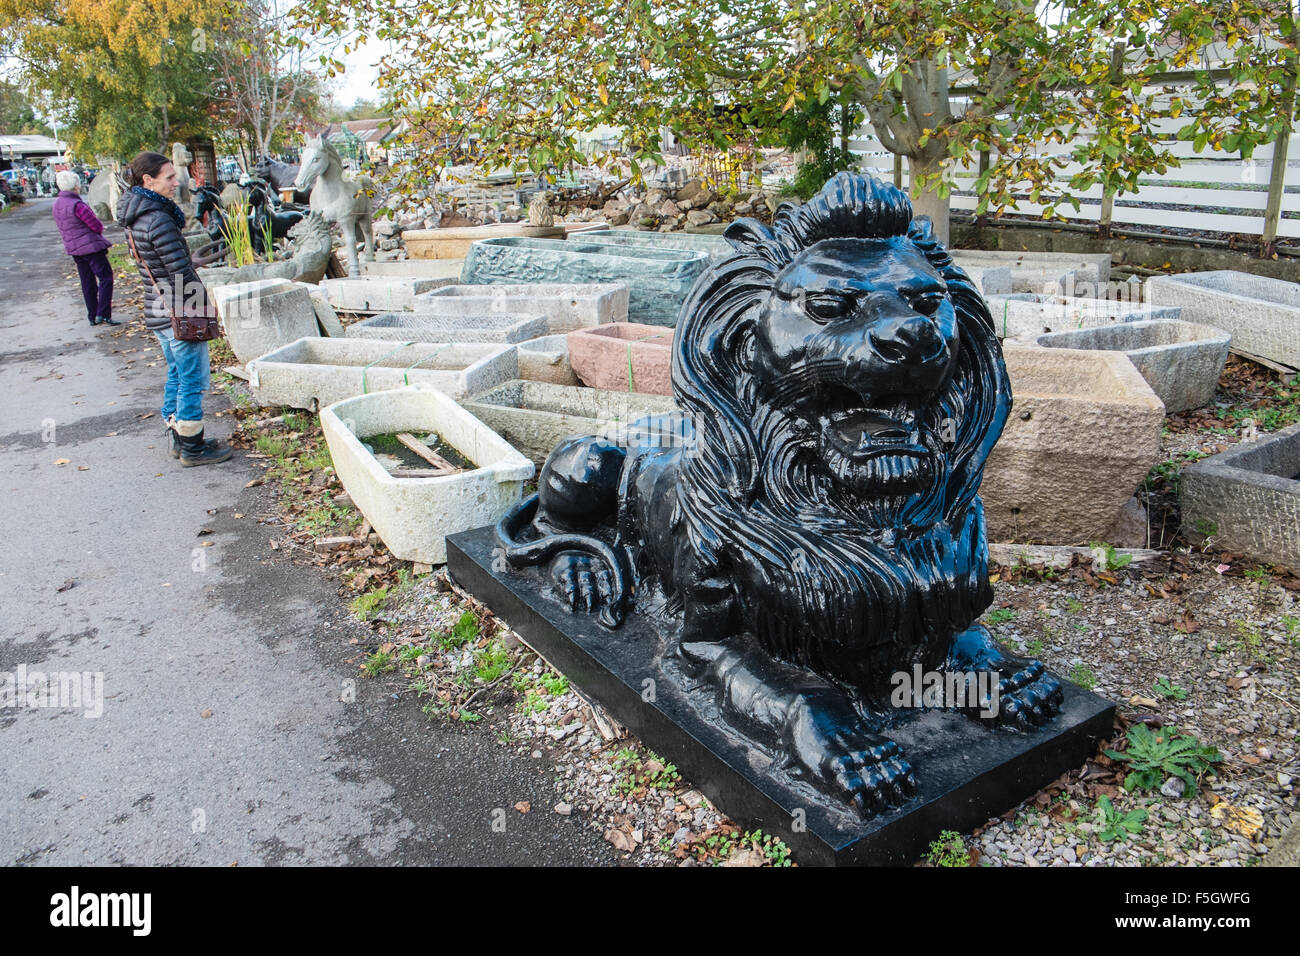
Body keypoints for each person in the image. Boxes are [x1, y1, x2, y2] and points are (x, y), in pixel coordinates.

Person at [116, 151, 232, 467]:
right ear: (147, 180)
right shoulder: (158, 219)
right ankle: (193, 447)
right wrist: (202, 312)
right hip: (178, 310)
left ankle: (178, 436)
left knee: (177, 374)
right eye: (168, 176)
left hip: (157, 308)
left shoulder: (134, 217)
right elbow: (180, 272)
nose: (175, 181)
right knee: (192, 379)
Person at [52, 170, 118, 328]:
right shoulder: (78, 205)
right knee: (106, 277)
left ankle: (92, 315)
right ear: (76, 186)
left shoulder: (57, 205)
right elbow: (96, 225)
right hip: (91, 247)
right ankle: (103, 313)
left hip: (74, 249)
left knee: (87, 281)